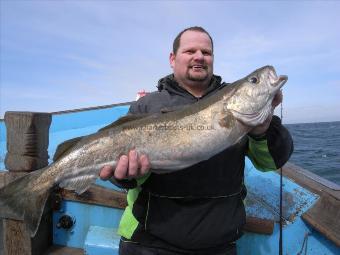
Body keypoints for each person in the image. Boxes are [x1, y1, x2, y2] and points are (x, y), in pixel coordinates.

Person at [100, 26, 293, 255]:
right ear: (173, 59)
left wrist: (263, 129)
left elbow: (271, 162)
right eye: (190, 50)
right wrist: (127, 176)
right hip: (147, 241)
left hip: (219, 244)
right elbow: (122, 178)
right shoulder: (146, 105)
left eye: (206, 52)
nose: (199, 56)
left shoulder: (244, 113)